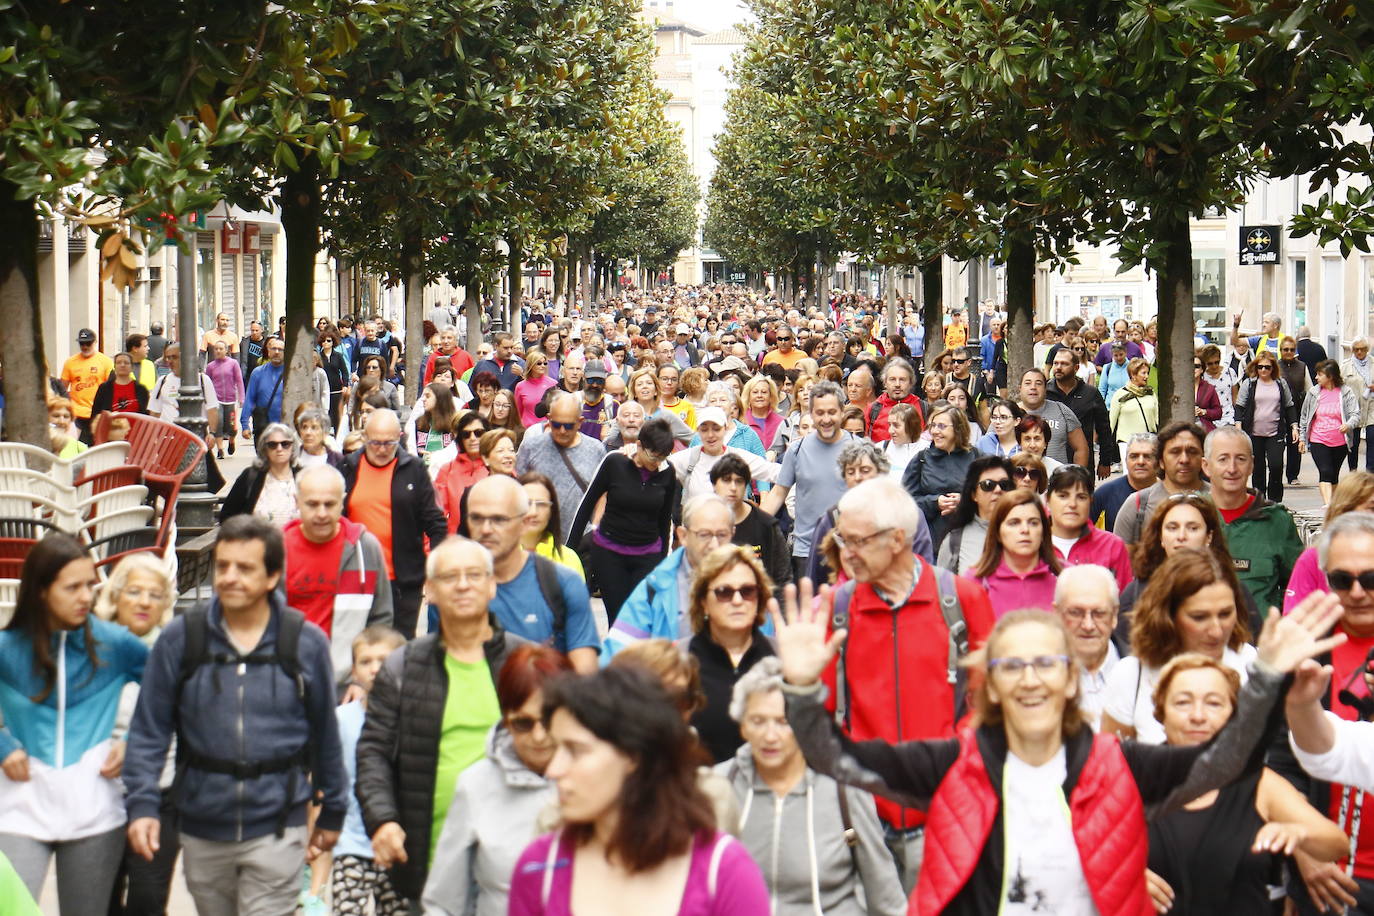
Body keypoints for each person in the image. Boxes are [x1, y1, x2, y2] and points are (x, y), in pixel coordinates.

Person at [772, 580, 1341, 915]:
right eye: (1011, 665)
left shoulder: (1119, 766)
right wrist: (800, 689)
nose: (1030, 679)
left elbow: (1225, 763)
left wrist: (1265, 677)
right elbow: (833, 758)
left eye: (1046, 663)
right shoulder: (950, 766)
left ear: (1071, 679)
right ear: (991, 683)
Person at [123, 517, 347, 916]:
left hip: (279, 825)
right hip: (202, 825)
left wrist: (333, 808)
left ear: (272, 576)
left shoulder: (305, 643)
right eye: (223, 566)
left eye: (245, 568)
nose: (230, 577)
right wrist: (142, 805)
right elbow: (149, 731)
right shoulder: (182, 639)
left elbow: (326, 735)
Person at [810, 478, 995, 891]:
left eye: (856, 540)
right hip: (860, 820)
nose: (845, 551)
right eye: (842, 537)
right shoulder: (835, 609)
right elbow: (820, 714)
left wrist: (948, 765)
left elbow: (990, 708)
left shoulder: (962, 601)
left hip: (945, 816)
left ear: (896, 540)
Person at [507, 664, 769, 915]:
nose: (554, 769)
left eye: (575, 751)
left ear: (633, 754)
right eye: (556, 748)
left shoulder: (723, 871)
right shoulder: (540, 868)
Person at [356, 538, 530, 907]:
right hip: (428, 862)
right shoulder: (403, 667)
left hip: (512, 866)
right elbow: (373, 751)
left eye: (474, 575)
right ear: (429, 590)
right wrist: (382, 820)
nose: (463, 585)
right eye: (450, 576)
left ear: (492, 584)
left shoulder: (524, 664)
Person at [0, 535, 147, 912]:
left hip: (95, 810)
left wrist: (133, 740)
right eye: (73, 587)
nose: (86, 596)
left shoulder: (116, 643)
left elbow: (170, 693)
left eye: (90, 585)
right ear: (41, 591)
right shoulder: (6, 648)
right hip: (18, 807)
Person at [1145, 654, 1347, 915]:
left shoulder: (1260, 783)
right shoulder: (1131, 778)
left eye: (1214, 703)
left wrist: (1299, 834)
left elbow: (1337, 843)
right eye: (1183, 703)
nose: (1198, 716)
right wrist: (1123, 872)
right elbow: (1083, 846)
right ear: (1161, 711)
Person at [718, 657, 907, 916]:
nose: (770, 736)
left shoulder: (844, 787)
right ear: (742, 726)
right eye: (758, 721)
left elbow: (886, 899)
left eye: (784, 722)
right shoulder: (718, 786)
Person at [422, 646, 572, 916]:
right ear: (505, 719)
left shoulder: (603, 780)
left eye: (548, 721)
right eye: (523, 723)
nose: (538, 737)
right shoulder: (476, 785)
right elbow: (443, 903)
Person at [1276, 512, 1374, 913]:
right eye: (1341, 580)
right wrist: (1305, 851)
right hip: (1331, 879)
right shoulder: (1306, 655)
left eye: (1371, 579)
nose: (1357, 592)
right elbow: (1277, 766)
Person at [1100, 549, 1258, 743]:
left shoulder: (1252, 665)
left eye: (1225, 614)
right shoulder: (1131, 675)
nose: (1217, 630)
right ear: (1167, 616)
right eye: (1199, 617)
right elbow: (1113, 764)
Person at [445, 475, 599, 671]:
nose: (485, 529)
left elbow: (584, 670)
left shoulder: (563, 582)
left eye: (499, 519)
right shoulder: (452, 586)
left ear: (522, 521)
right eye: (476, 518)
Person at [318, 626, 409, 916]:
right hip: (352, 842)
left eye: (384, 660)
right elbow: (326, 780)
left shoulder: (414, 718)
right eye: (365, 661)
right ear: (354, 672)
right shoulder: (340, 719)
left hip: (398, 843)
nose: (374, 669)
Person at [281, 464, 394, 682]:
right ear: (297, 501)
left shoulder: (366, 548)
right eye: (312, 504)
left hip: (347, 684)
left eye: (329, 504)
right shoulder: (276, 550)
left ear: (342, 502)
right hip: (289, 681)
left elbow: (381, 620)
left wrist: (363, 682)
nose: (321, 513)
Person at [342, 409, 449, 637]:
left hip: (403, 579)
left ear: (400, 437)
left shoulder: (414, 469)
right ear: (364, 437)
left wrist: (434, 573)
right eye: (375, 443)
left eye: (389, 443)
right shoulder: (348, 467)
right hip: (357, 577)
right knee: (360, 648)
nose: (382, 449)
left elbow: (436, 524)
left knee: (398, 649)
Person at [567, 417, 677, 622]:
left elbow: (664, 520)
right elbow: (587, 504)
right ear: (639, 446)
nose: (656, 464)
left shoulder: (667, 471)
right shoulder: (615, 462)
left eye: (662, 458)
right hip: (609, 552)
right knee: (617, 619)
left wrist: (662, 562)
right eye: (653, 457)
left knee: (641, 618)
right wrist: (569, 551)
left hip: (647, 554)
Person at [603, 495, 739, 660]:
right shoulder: (655, 588)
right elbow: (617, 656)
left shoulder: (750, 587)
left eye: (722, 535)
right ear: (683, 536)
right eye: (704, 535)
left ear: (733, 533)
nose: (714, 545)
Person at [685, 545, 779, 763]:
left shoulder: (781, 658)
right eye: (724, 592)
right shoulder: (679, 662)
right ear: (703, 602)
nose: (738, 601)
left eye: (747, 591)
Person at [1205, 426, 1305, 618]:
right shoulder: (1189, 518)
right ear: (1206, 466)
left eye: (1240, 459)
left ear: (1252, 465)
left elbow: (1297, 587)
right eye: (1223, 459)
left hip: (1262, 642)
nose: (1232, 468)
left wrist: (1278, 622)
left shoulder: (1277, 521)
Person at [761, 382, 854, 581]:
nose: (826, 419)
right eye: (820, 413)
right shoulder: (796, 449)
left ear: (842, 411)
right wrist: (754, 523)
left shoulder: (859, 448)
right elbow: (778, 493)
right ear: (811, 412)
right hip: (806, 549)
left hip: (849, 548)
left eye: (832, 412)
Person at [514, 393, 608, 543]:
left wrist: (596, 528)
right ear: (549, 419)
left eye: (569, 425)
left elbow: (602, 493)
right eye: (557, 425)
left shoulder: (596, 449)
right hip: (540, 539)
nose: (562, 430)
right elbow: (518, 490)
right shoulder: (531, 447)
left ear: (580, 422)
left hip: (583, 538)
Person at [1284, 471, 1374, 611]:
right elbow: (1294, 618)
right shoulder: (1313, 558)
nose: (1357, 593)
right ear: (1345, 510)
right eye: (1341, 580)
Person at [965, 488, 1061, 615]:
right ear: (998, 532)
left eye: (1033, 523)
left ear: (1043, 531)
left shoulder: (1065, 577)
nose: (1025, 530)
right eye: (1014, 523)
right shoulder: (975, 581)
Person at [709, 454, 792, 597]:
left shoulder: (766, 525)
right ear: (714, 485)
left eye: (739, 481)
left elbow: (783, 578)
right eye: (726, 480)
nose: (733, 487)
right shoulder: (704, 525)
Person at [1052, 565, 1123, 730]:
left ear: (1114, 615)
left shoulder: (1141, 671)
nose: (1088, 625)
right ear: (1057, 613)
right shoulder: (1039, 675)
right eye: (1076, 613)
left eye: (1099, 613)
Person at [1113, 421, 1206, 545]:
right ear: (1161, 460)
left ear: (1203, 458)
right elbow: (1121, 560)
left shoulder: (1218, 501)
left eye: (1192, 451)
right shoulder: (1138, 505)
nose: (1184, 459)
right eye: (1175, 452)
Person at [901, 402, 980, 546]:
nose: (935, 431)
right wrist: (934, 502)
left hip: (970, 540)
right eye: (933, 426)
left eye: (942, 426)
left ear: (958, 428)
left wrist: (966, 501)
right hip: (931, 540)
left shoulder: (976, 457)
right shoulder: (922, 459)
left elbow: (993, 497)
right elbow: (905, 502)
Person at [1045, 465, 1133, 591]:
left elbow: (1125, 603)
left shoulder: (1112, 546)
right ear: (1048, 500)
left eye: (1081, 497)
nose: (1072, 504)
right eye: (1063, 496)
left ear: (1091, 501)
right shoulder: (1034, 544)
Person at [670, 406, 780, 504]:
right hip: (696, 524)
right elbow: (658, 469)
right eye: (704, 430)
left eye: (716, 429)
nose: (710, 435)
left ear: (725, 429)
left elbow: (776, 472)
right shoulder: (688, 458)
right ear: (698, 431)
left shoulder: (738, 457)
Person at [1234, 349, 1299, 505]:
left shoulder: (1280, 384)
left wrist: (1294, 426)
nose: (1263, 370)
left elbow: (1289, 406)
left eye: (1267, 367)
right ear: (1255, 367)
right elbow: (1239, 406)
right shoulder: (1249, 384)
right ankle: (1260, 501)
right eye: (1260, 367)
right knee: (1258, 469)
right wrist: (1238, 425)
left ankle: (1275, 501)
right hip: (1254, 433)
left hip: (1275, 432)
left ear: (1273, 368)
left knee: (1276, 466)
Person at [936, 455, 1015, 575]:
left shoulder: (1025, 533)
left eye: (1004, 484)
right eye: (988, 485)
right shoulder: (955, 541)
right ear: (974, 495)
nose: (998, 490)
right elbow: (943, 590)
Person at [1300, 358, 1361, 506]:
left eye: (1320, 375)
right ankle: (1328, 506)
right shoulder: (1314, 393)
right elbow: (1304, 416)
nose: (1316, 377)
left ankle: (1333, 505)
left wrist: (1348, 425)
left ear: (1330, 376)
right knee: (1325, 471)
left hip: (1339, 441)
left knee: (1333, 475)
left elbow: (1356, 414)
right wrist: (1302, 438)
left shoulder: (1345, 392)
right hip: (1318, 439)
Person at [1048, 346, 1116, 477]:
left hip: (1083, 464)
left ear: (1076, 368)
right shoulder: (1045, 392)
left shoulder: (1090, 393)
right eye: (1056, 363)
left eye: (1064, 364)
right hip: (1051, 461)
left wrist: (1105, 461)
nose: (1058, 367)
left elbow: (1104, 429)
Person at [219, 422, 301, 525]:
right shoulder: (250, 476)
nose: (279, 449)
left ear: (293, 447)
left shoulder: (304, 477)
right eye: (272, 445)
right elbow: (227, 517)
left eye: (285, 444)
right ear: (265, 449)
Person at [519, 471, 584, 578]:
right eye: (526, 503)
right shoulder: (497, 557)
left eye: (541, 504)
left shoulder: (568, 559)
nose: (533, 512)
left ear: (551, 511)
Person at [1018, 368, 1089, 467]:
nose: (1033, 387)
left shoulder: (1062, 410)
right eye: (1028, 383)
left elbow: (1081, 448)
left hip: (1057, 478)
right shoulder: (1007, 413)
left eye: (1038, 383)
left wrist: (1077, 477)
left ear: (1045, 388)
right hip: (1022, 477)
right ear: (1020, 388)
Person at [145, 343, 220, 433]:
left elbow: (212, 409)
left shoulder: (203, 380)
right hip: (167, 437)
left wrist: (212, 433)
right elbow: (154, 412)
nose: (170, 361)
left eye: (175, 357)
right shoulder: (162, 381)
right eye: (168, 358)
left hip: (196, 436)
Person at [1092, 432, 1157, 531]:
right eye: (1134, 456)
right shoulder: (1105, 493)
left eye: (1147, 456)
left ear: (1159, 461)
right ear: (1125, 460)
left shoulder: (1168, 494)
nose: (1140, 462)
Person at [60, 328, 114, 441]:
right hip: (76, 413)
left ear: (95, 342)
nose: (85, 346)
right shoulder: (70, 362)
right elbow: (62, 388)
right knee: (72, 445)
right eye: (82, 343)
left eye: (88, 343)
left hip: (97, 414)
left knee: (96, 446)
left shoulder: (105, 361)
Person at [238, 335, 287, 442]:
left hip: (286, 429)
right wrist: (245, 424)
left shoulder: (291, 374)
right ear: (268, 351)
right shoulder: (258, 373)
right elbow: (250, 399)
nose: (277, 352)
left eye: (280, 349)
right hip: (263, 427)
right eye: (273, 349)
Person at [1108, 357, 1159, 453]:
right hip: (1126, 444)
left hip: (1149, 442)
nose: (1147, 376)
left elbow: (1157, 418)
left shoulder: (1150, 393)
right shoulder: (1120, 394)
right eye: (1143, 373)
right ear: (1133, 375)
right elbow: (1111, 421)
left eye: (1148, 373)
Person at [868, 357, 923, 444]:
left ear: (911, 383)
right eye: (892, 379)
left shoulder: (923, 408)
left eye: (902, 379)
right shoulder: (873, 409)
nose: (897, 384)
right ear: (885, 382)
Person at [1343, 337, 1374, 472]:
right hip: (1353, 408)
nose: (1360, 352)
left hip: (1371, 407)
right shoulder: (1346, 366)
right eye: (1356, 349)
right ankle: (1353, 470)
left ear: (1367, 350)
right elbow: (1340, 387)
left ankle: (1370, 472)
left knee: (1372, 438)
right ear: (1352, 350)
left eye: (1362, 349)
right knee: (1353, 442)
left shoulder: (1373, 363)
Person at [90, 351, 150, 418]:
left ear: (132, 367)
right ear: (114, 366)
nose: (122, 365)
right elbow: (95, 414)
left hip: (136, 427)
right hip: (111, 427)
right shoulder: (104, 388)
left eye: (126, 363)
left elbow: (146, 415)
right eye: (118, 362)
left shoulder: (141, 389)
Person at [1098, 340, 1132, 406]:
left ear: (1126, 353)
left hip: (1129, 406)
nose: (1119, 358)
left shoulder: (1132, 367)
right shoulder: (1107, 368)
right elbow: (1102, 389)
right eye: (1116, 355)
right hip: (1110, 406)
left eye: (1121, 354)